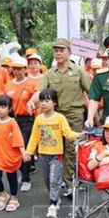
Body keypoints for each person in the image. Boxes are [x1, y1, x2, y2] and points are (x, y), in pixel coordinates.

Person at [27, 38, 91, 197]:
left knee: (71, 149)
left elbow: (90, 92)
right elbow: (39, 91)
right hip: (54, 116)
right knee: (54, 148)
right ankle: (60, 180)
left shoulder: (78, 71)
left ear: (69, 52)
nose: (58, 53)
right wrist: (31, 101)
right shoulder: (49, 73)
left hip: (73, 115)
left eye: (62, 50)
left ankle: (70, 182)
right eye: (56, 50)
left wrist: (92, 114)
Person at [26, 89, 83, 218]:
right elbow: (34, 137)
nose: (44, 104)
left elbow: (68, 133)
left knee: (54, 179)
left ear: (55, 103)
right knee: (46, 179)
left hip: (56, 155)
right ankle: (55, 198)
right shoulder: (39, 119)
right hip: (42, 155)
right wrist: (29, 152)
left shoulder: (60, 118)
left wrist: (79, 135)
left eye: (47, 100)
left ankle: (52, 205)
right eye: (41, 101)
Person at [5, 56, 38, 192]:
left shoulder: (31, 83)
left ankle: (26, 178)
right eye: (15, 68)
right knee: (14, 148)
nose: (17, 71)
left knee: (24, 148)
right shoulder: (9, 84)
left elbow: (37, 98)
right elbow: (6, 102)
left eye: (19, 68)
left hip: (28, 120)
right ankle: (22, 170)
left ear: (25, 69)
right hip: (13, 120)